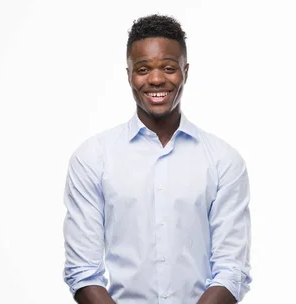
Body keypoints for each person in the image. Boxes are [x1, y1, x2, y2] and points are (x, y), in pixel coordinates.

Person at [62, 14, 252, 304]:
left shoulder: (223, 161)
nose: (155, 79)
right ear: (128, 74)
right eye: (142, 69)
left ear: (185, 72)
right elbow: (83, 272)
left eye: (168, 67)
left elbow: (232, 269)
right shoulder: (92, 158)